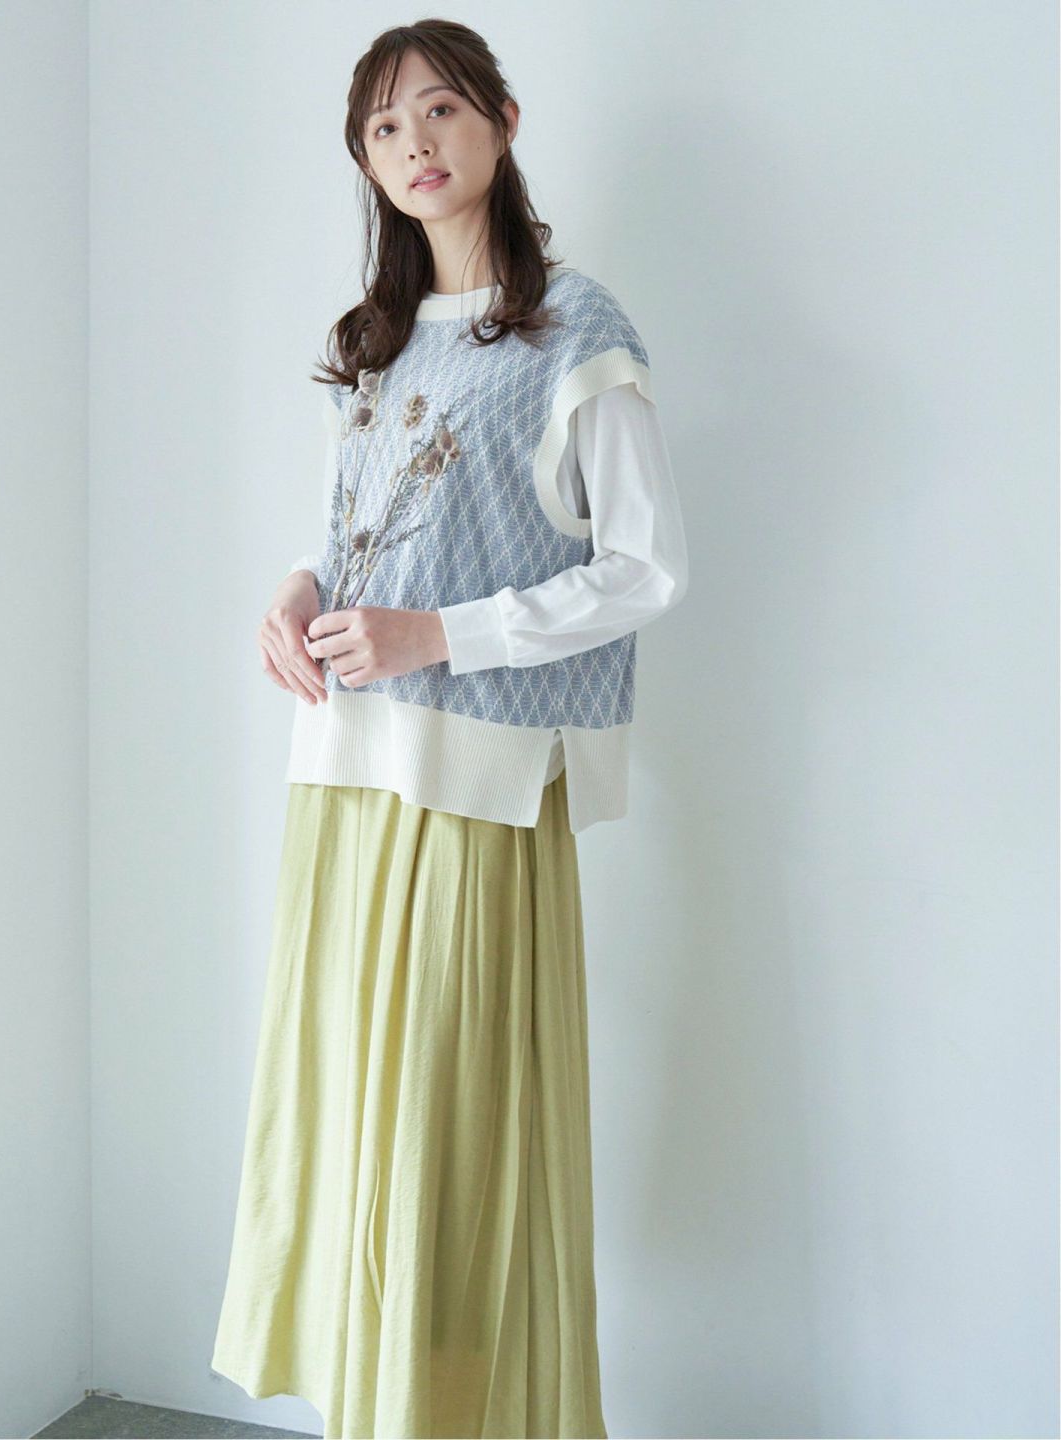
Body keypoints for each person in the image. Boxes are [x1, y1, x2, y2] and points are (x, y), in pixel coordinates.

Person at [210, 18, 689, 1439]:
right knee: (349, 1121)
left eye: (438, 110)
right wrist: (300, 585)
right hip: (346, 770)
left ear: (502, 119)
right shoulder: (372, 341)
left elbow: (647, 570)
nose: (414, 143)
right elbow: (373, 527)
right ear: (365, 162)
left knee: (450, 1134)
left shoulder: (575, 331)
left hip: (476, 780)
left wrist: (440, 638)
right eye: (382, 127)